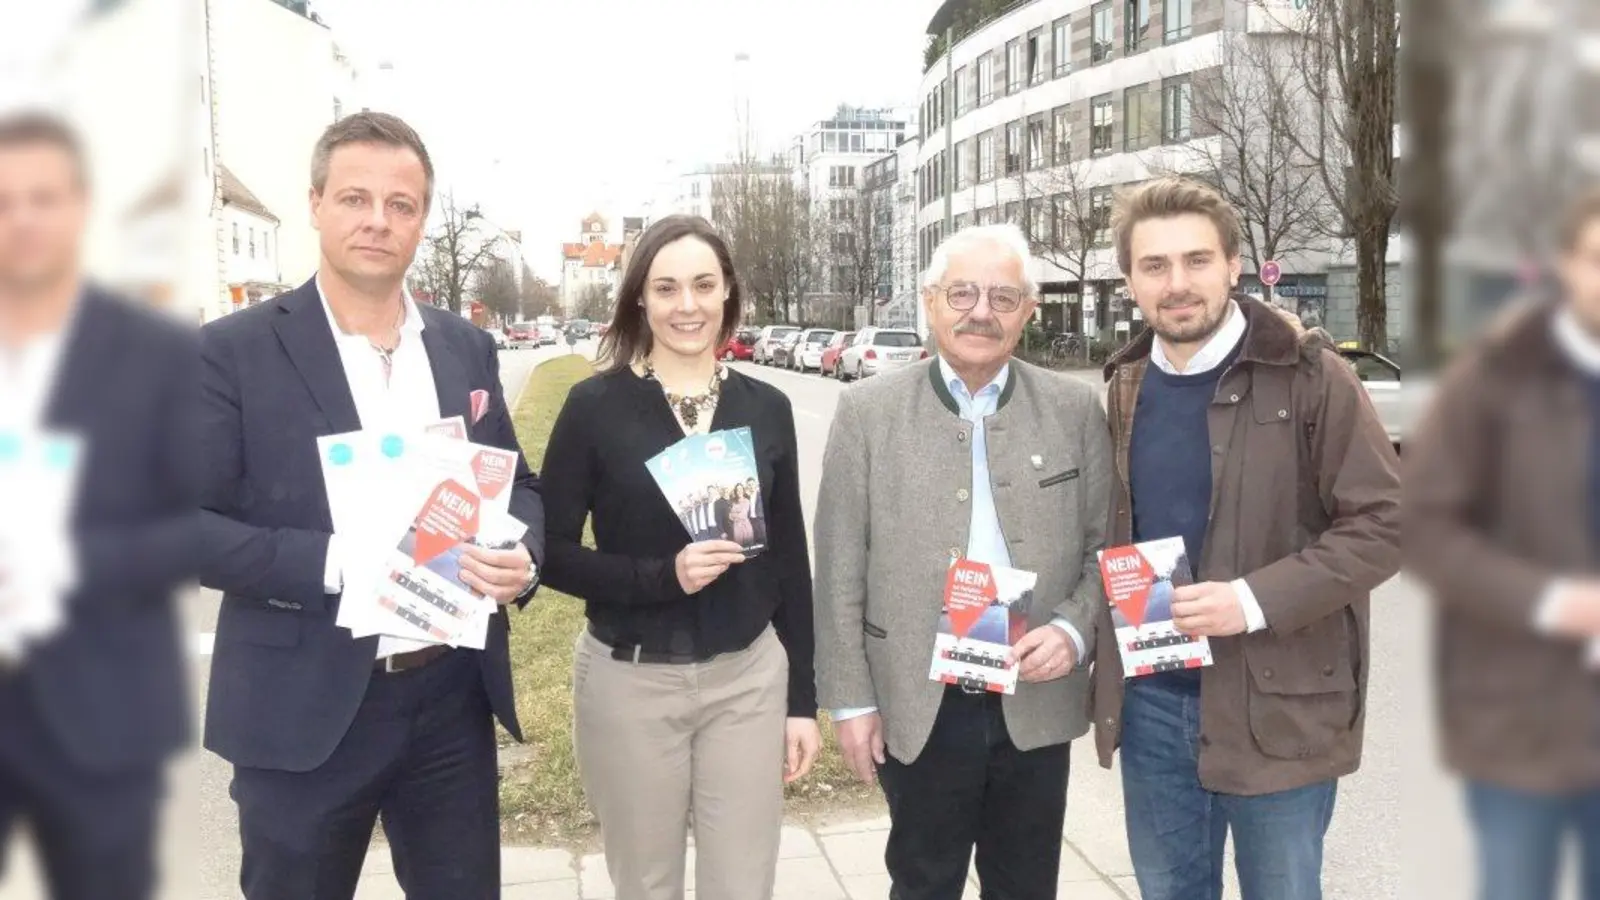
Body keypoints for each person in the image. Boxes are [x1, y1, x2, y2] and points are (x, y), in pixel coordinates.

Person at [198, 112, 545, 899]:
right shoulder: (231, 352)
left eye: (401, 204)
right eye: (356, 198)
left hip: (449, 701)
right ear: (316, 203)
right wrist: (336, 562)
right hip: (303, 714)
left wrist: (523, 555)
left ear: (421, 220)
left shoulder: (464, 347)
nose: (378, 221)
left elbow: (519, 484)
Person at [1091, 177, 1401, 900]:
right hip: (1154, 705)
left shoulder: (1312, 375)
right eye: (1155, 265)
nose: (1177, 283)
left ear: (1234, 265)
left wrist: (1250, 601)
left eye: (1197, 260)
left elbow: (1386, 523)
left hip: (1278, 706)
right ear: (1130, 281)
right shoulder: (1126, 385)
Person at [813, 223, 1112, 900]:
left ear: (1028, 311)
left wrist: (1073, 630)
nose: (982, 312)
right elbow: (837, 570)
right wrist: (851, 701)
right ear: (930, 300)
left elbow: (1104, 548)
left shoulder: (1073, 409)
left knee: (1026, 885)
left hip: (1035, 693)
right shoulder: (867, 412)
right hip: (918, 697)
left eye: (1003, 297)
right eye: (963, 294)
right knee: (923, 882)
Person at [539, 214, 820, 900]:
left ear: (728, 292)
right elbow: (549, 553)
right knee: (646, 884)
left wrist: (802, 702)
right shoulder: (595, 406)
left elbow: (789, 562)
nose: (686, 305)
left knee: (743, 886)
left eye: (703, 284)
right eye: (666, 288)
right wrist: (663, 576)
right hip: (632, 682)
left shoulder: (767, 407)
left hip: (747, 681)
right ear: (640, 297)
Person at [0, 111, 197, 900]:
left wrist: (67, 560)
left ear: (81, 207)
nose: (22, 218)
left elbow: (200, 523)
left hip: (102, 715)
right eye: (3, 200)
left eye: (42, 197)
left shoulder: (159, 353)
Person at [1405, 187, 1600, 900]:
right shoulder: (1495, 377)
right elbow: (1424, 525)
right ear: (1566, 265)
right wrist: (1550, 602)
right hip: (1519, 727)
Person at [727, 484, 755, 548]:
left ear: (743, 490)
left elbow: (743, 515)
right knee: (739, 547)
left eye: (740, 489)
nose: (739, 491)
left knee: (748, 547)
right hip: (736, 527)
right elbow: (730, 516)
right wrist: (735, 514)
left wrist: (734, 514)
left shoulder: (746, 501)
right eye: (737, 490)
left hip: (745, 526)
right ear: (736, 491)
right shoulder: (733, 502)